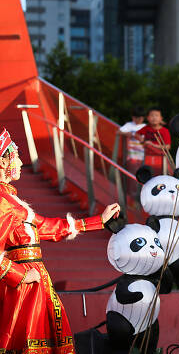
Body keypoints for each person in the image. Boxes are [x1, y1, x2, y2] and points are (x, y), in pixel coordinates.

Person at [0, 128, 120, 352]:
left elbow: (48, 226)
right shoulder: (2, 201)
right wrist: (22, 275)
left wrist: (97, 221)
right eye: (15, 156)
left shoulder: (11, 200)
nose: (19, 160)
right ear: (3, 162)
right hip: (22, 287)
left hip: (35, 282)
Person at [137, 107, 171, 174]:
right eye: (152, 115)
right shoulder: (147, 128)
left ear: (161, 118)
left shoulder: (165, 131)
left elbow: (167, 147)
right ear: (148, 118)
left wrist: (152, 145)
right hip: (147, 157)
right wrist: (142, 140)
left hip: (161, 159)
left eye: (156, 115)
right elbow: (136, 134)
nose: (154, 118)